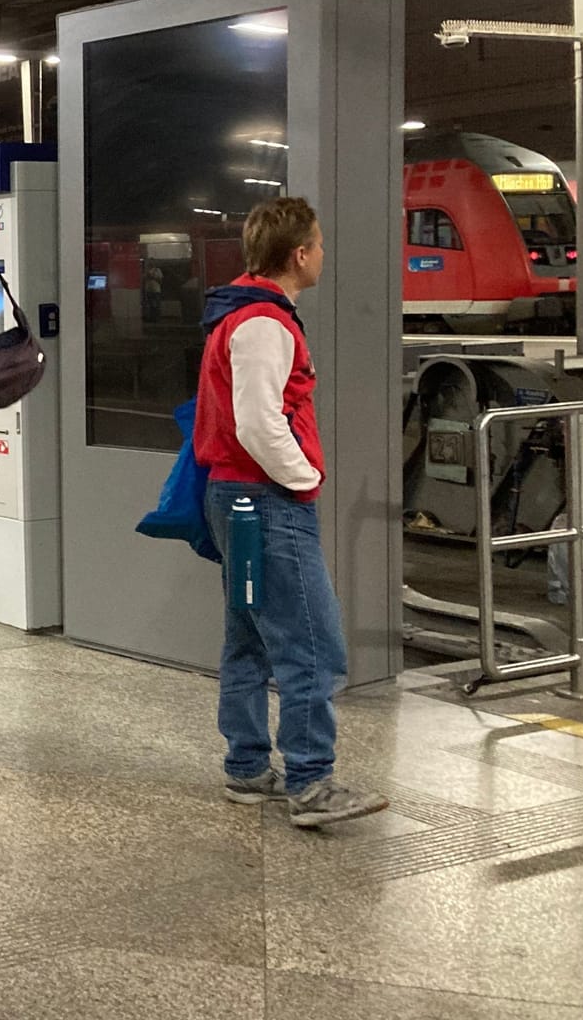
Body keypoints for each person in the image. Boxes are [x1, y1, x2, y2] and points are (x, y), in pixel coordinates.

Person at [194, 196, 389, 828]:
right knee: (313, 643)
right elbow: (257, 422)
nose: (324, 254)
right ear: (300, 254)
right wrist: (304, 479)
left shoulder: (241, 315)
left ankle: (248, 768)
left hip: (242, 500)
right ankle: (311, 782)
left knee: (249, 636)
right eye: (321, 245)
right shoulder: (264, 322)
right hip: (265, 503)